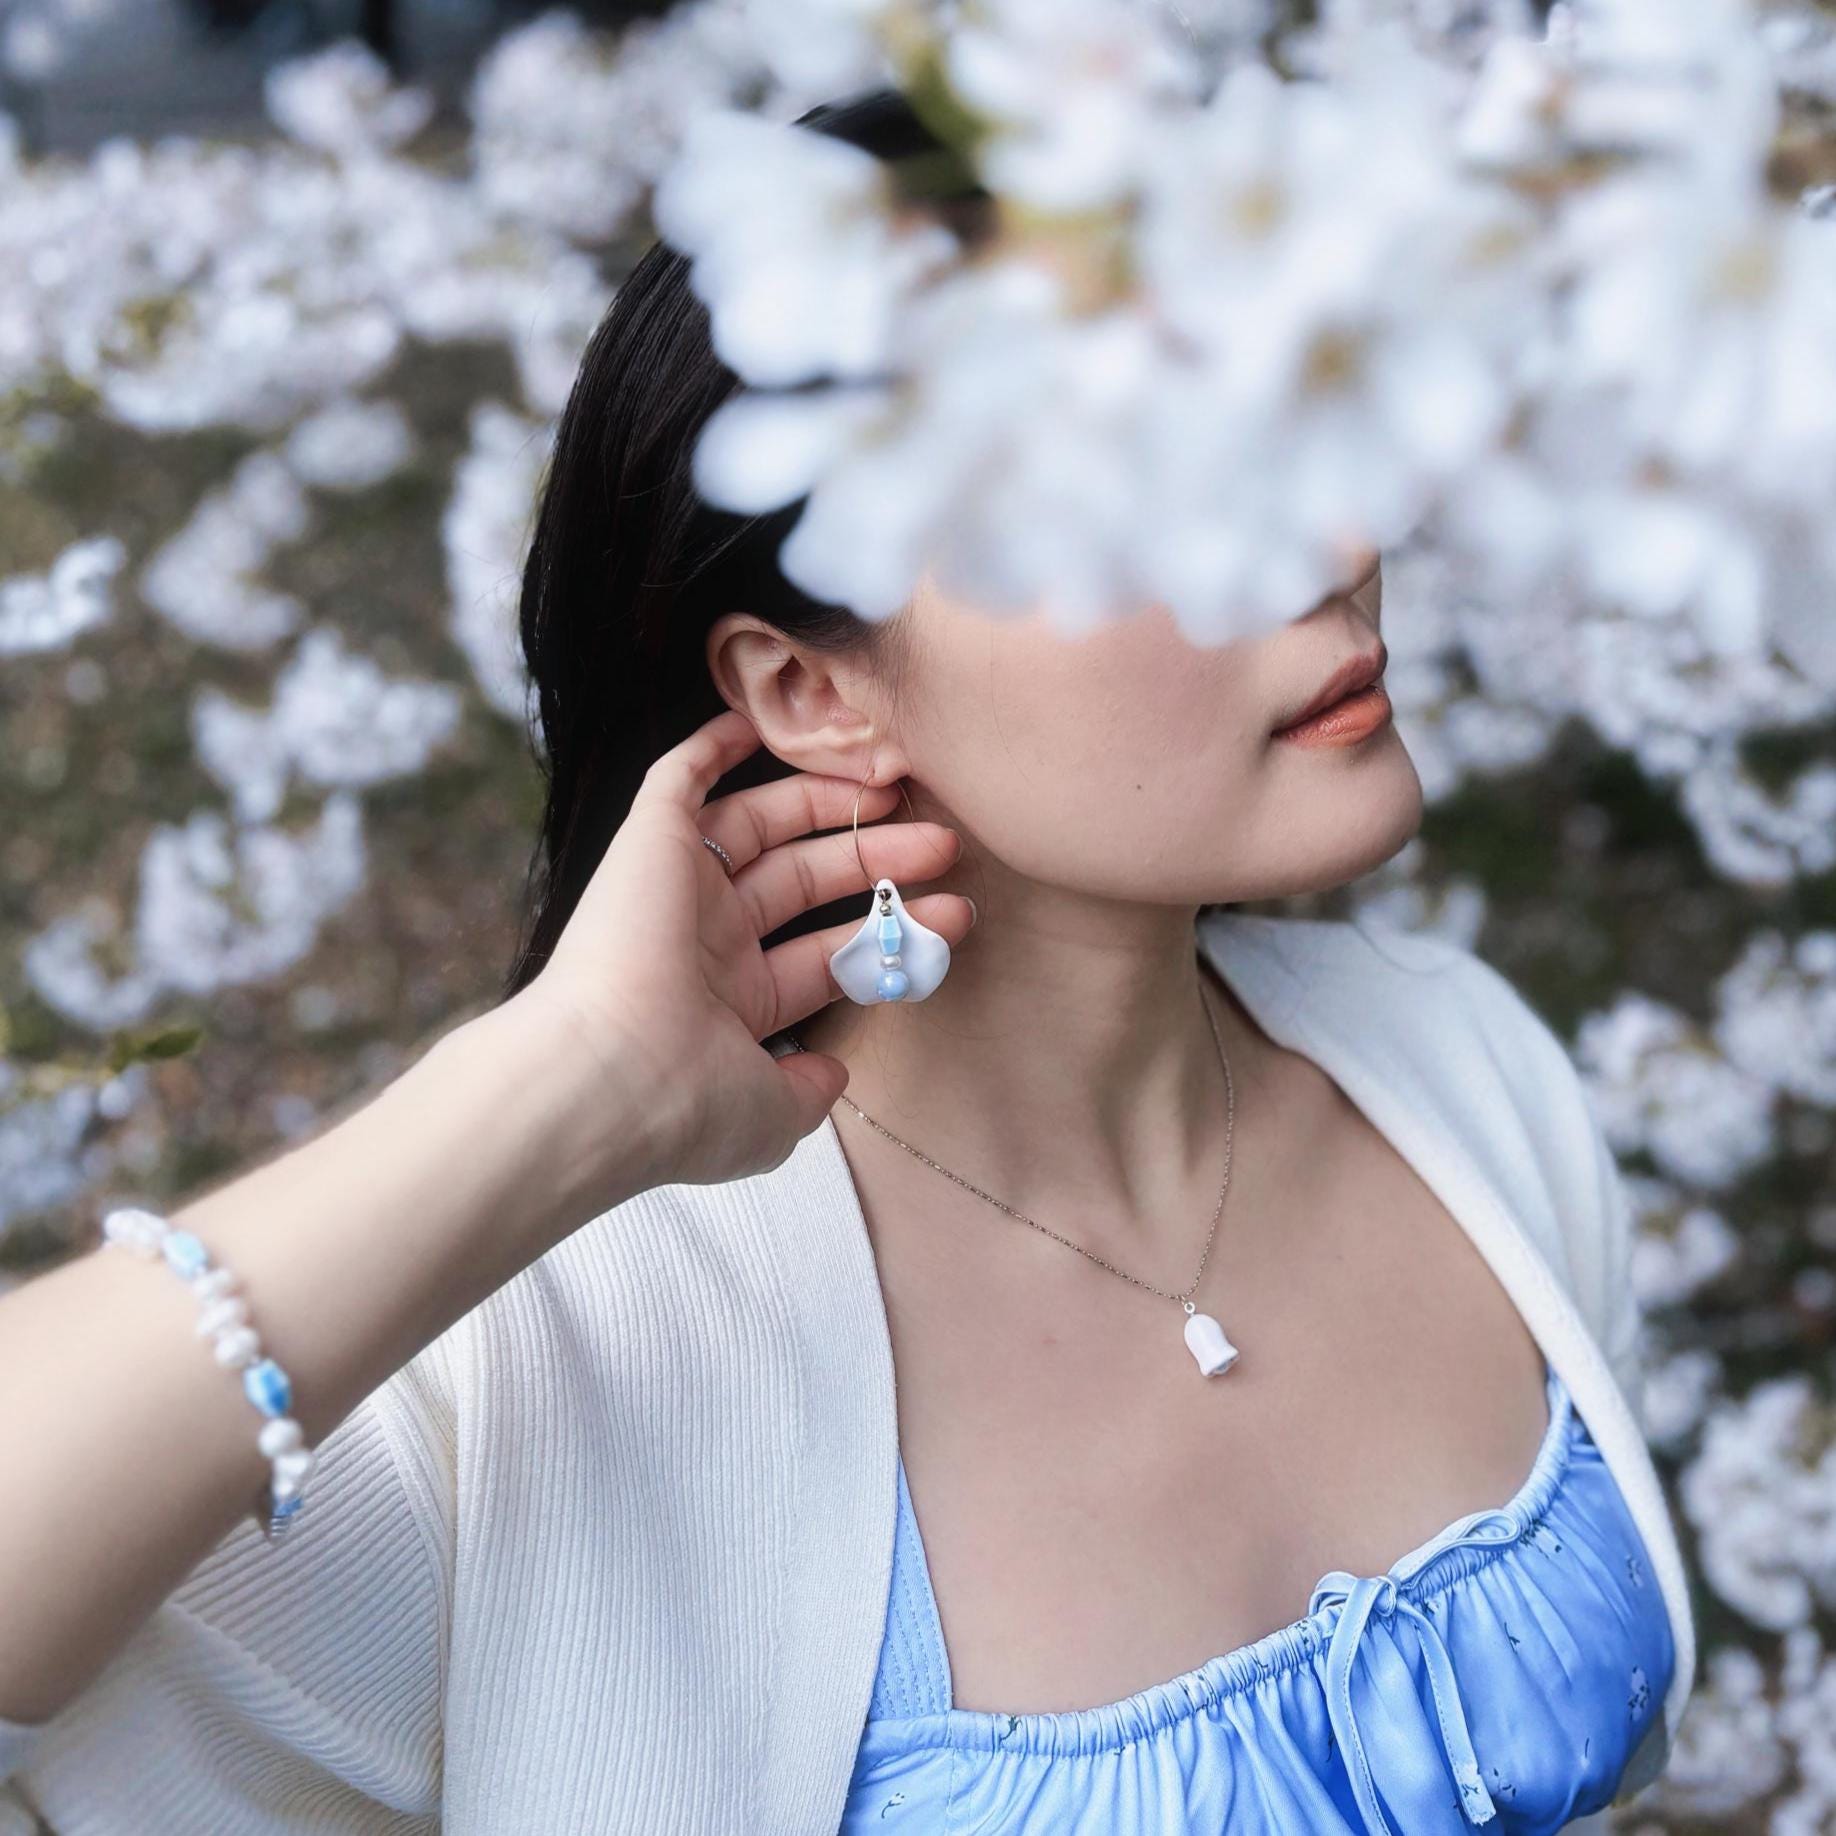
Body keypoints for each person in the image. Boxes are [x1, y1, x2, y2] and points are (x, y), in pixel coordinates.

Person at [0, 89, 1693, 1836]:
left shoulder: (1462, 1082)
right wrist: (555, 1087)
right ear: (815, 695)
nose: (1334, 547)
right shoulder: (556, 1372)